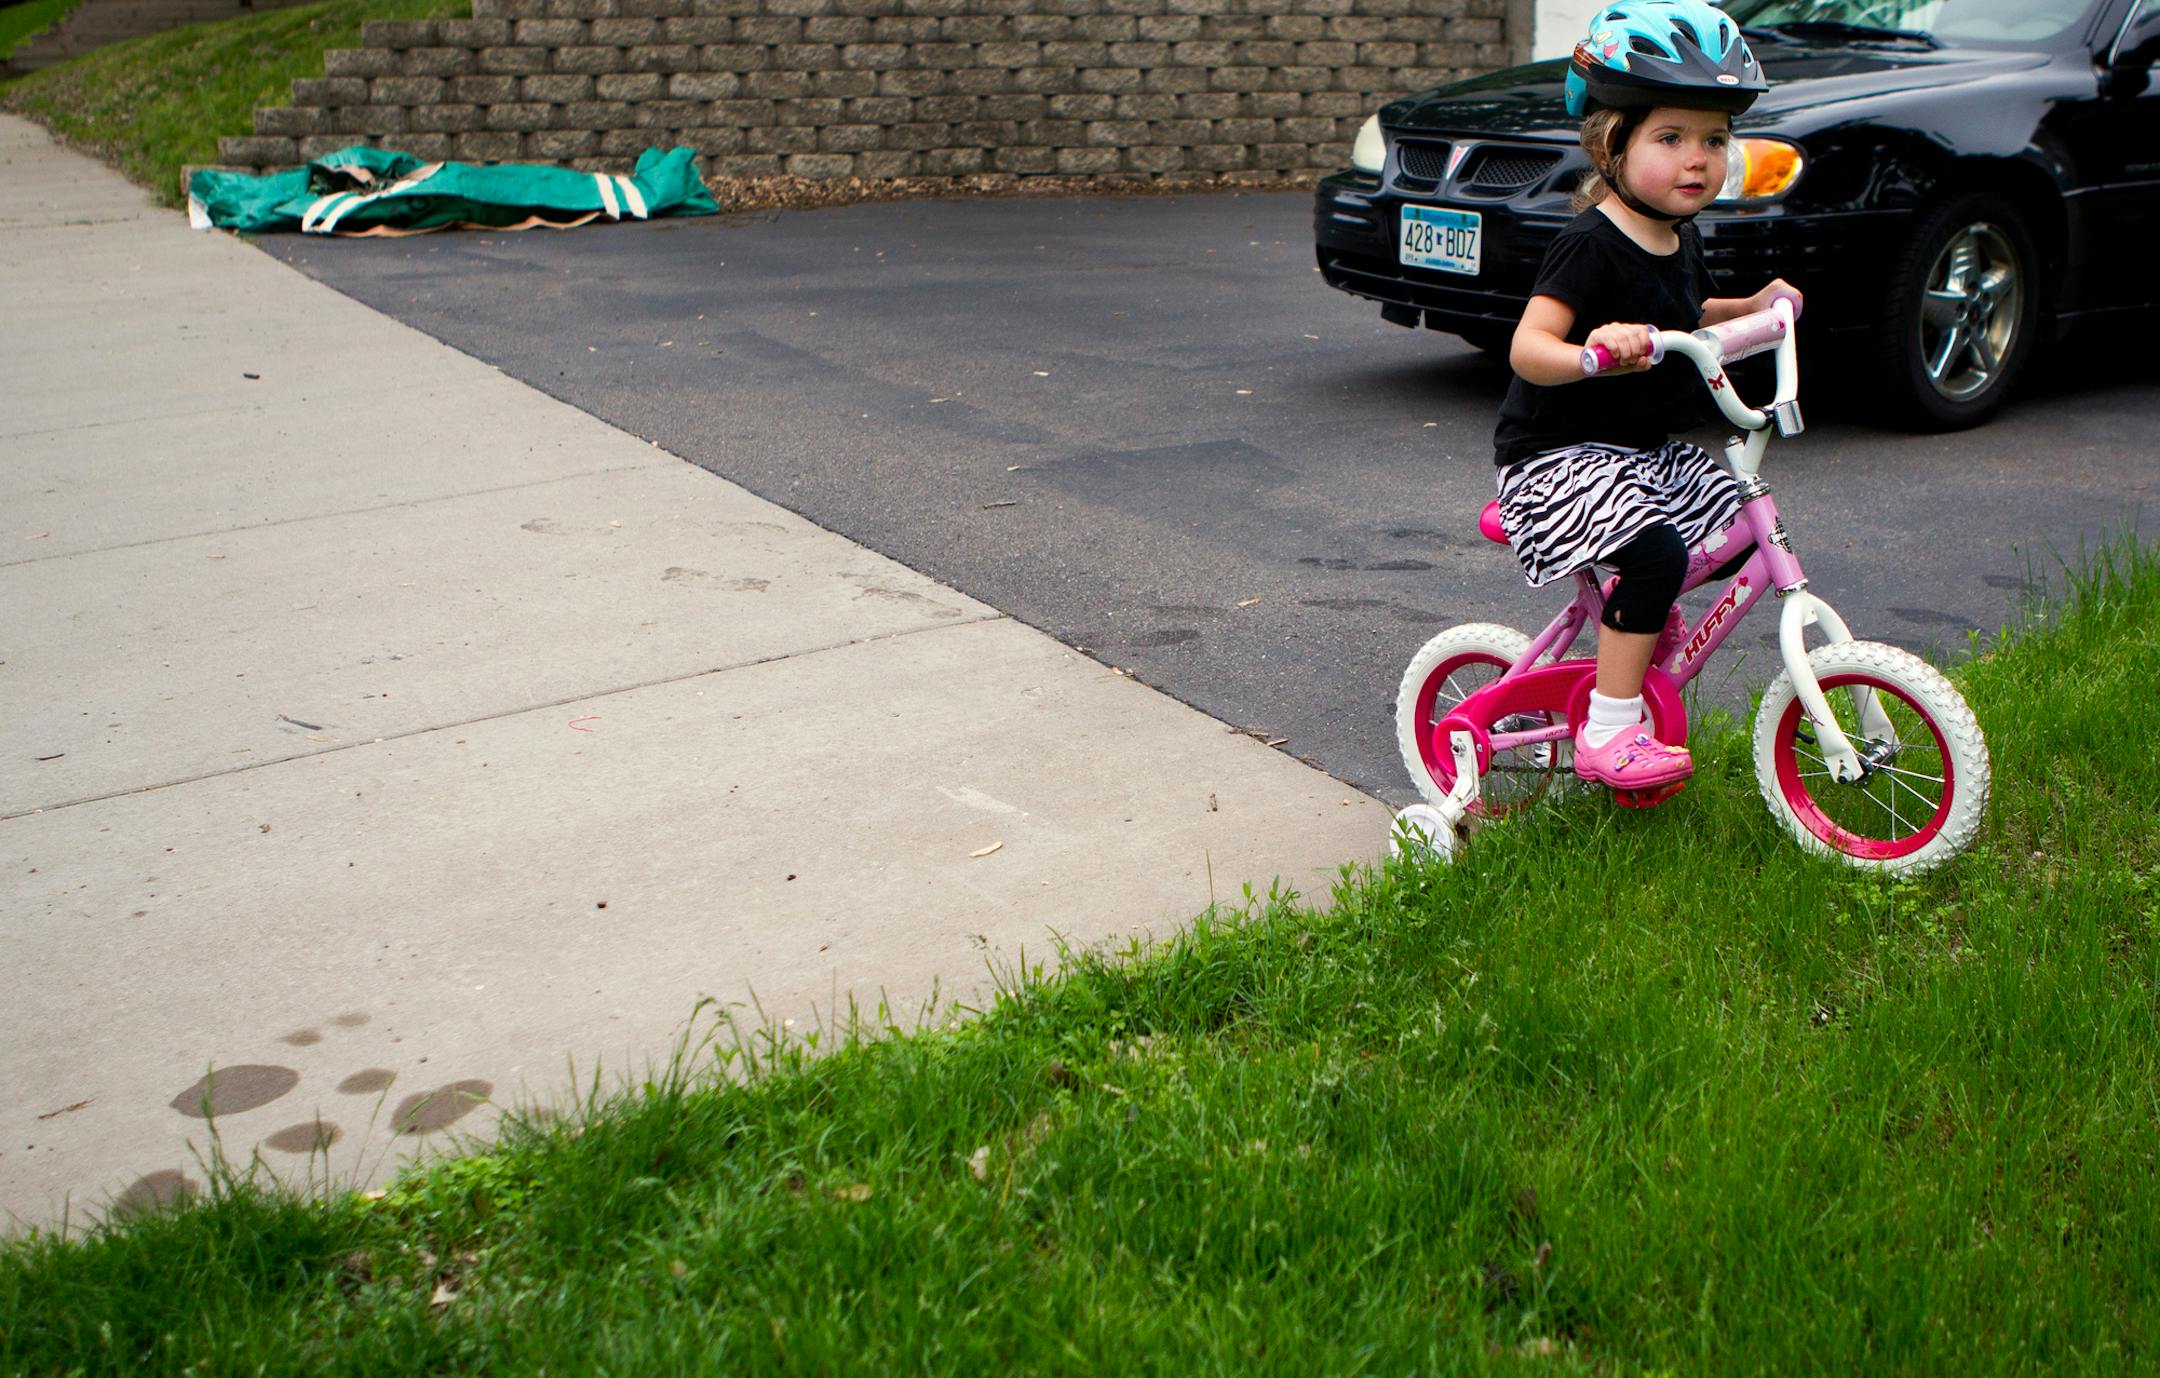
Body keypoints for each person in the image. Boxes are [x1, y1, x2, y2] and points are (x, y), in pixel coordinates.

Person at [1493, 0, 1800, 796]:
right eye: (1671, 138)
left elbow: (1686, 317)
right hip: (1554, 458)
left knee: (1739, 532)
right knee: (1660, 554)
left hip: (1640, 452)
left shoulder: (1677, 232)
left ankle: (1637, 623)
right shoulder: (1588, 242)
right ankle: (1608, 729)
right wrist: (1597, 353)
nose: (1698, 159)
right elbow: (1530, 349)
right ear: (1612, 140)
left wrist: (1750, 310)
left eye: (1715, 140)